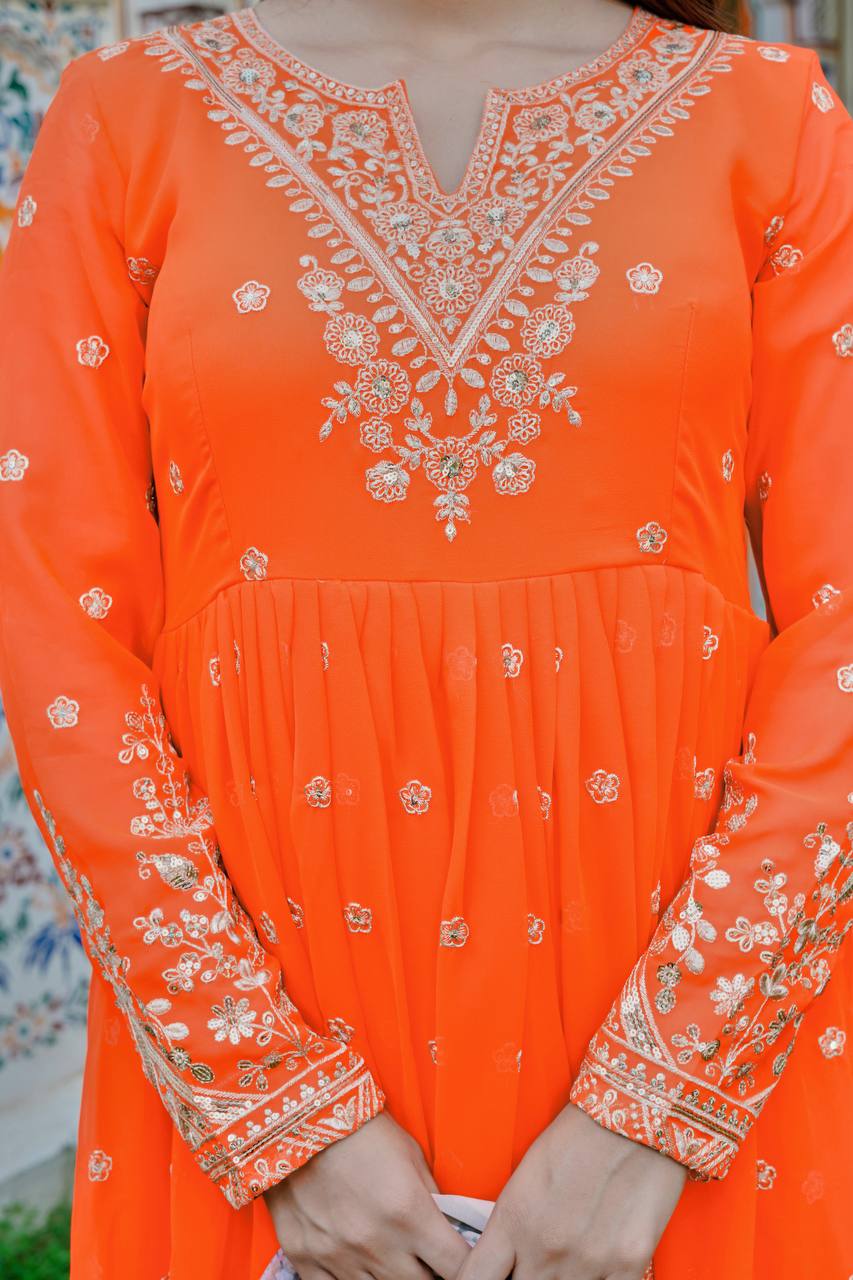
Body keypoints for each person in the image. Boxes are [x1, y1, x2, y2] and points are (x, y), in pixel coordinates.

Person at [0, 0, 851, 1275]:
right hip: (272, 1088)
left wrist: (660, 1100)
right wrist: (271, 1104)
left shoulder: (772, 116)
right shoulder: (127, 118)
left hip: (685, 1091)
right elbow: (56, 634)